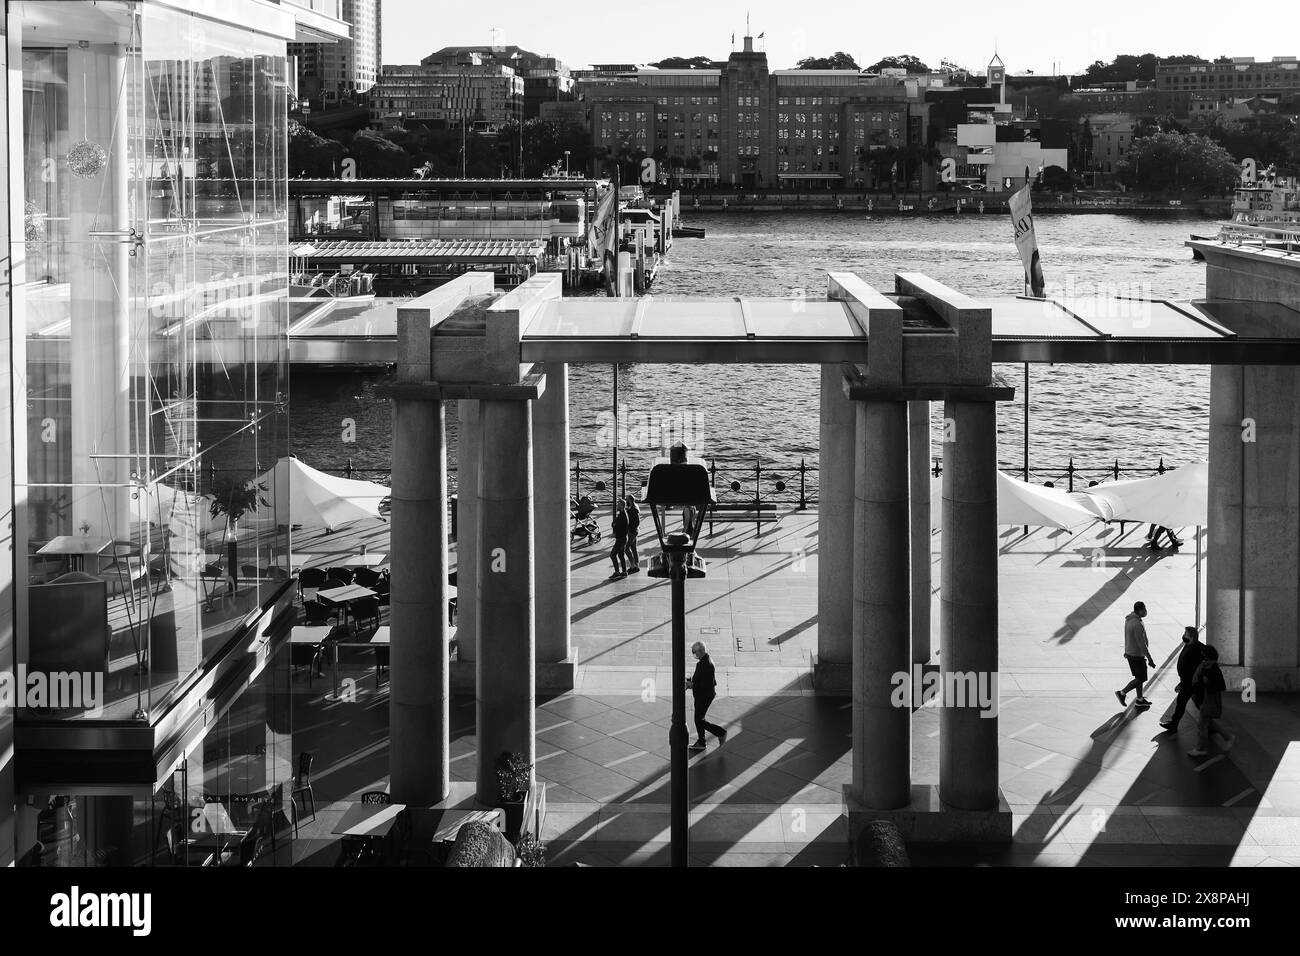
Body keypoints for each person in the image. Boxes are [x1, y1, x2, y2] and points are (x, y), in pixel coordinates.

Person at [1188, 646, 1234, 757]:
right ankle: (1228, 737)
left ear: (1209, 657)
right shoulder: (1205, 667)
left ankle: (1201, 749)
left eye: (1204, 657)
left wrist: (1208, 682)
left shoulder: (1214, 670)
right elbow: (1197, 680)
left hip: (1209, 700)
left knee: (1202, 725)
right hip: (1202, 699)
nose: (1203, 659)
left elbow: (1221, 686)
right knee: (1208, 722)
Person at [1161, 626, 1205, 732]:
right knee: (1187, 704)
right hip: (1188, 683)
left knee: (1194, 705)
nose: (1184, 636)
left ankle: (1212, 729)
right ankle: (1174, 724)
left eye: (1186, 634)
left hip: (1191, 683)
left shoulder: (1196, 649)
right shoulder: (1188, 645)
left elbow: (1191, 671)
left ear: (1192, 637)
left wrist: (1182, 684)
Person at [686, 641, 727, 750]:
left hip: (704, 696)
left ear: (701, 651)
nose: (694, 654)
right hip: (701, 695)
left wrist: (692, 684)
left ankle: (720, 733)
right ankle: (701, 742)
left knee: (699, 720)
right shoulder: (702, 661)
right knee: (699, 719)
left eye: (694, 652)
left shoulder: (707, 665)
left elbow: (706, 685)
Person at [1116, 601, 1156, 708]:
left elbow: (1128, 637)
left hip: (1131, 652)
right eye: (1145, 609)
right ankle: (1122, 693)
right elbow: (1141, 643)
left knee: (1139, 677)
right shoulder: (1137, 623)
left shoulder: (1129, 620)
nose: (1146, 611)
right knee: (1141, 678)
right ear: (1140, 610)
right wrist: (1150, 658)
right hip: (1136, 655)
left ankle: (1139, 699)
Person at [609, 499, 628, 579]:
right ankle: (624, 572)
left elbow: (616, 525)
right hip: (623, 538)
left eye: (618, 504)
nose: (617, 506)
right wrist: (614, 524)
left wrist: (614, 526)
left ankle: (617, 572)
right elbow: (615, 524)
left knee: (612, 555)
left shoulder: (622, 515)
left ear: (622, 506)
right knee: (621, 555)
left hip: (621, 538)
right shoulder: (623, 513)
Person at [623, 495, 641, 573]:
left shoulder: (634, 509)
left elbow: (637, 521)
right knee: (634, 548)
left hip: (632, 531)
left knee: (626, 548)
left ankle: (633, 565)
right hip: (634, 530)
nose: (626, 500)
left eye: (627, 499)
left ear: (630, 500)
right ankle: (637, 565)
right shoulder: (633, 507)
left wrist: (631, 528)